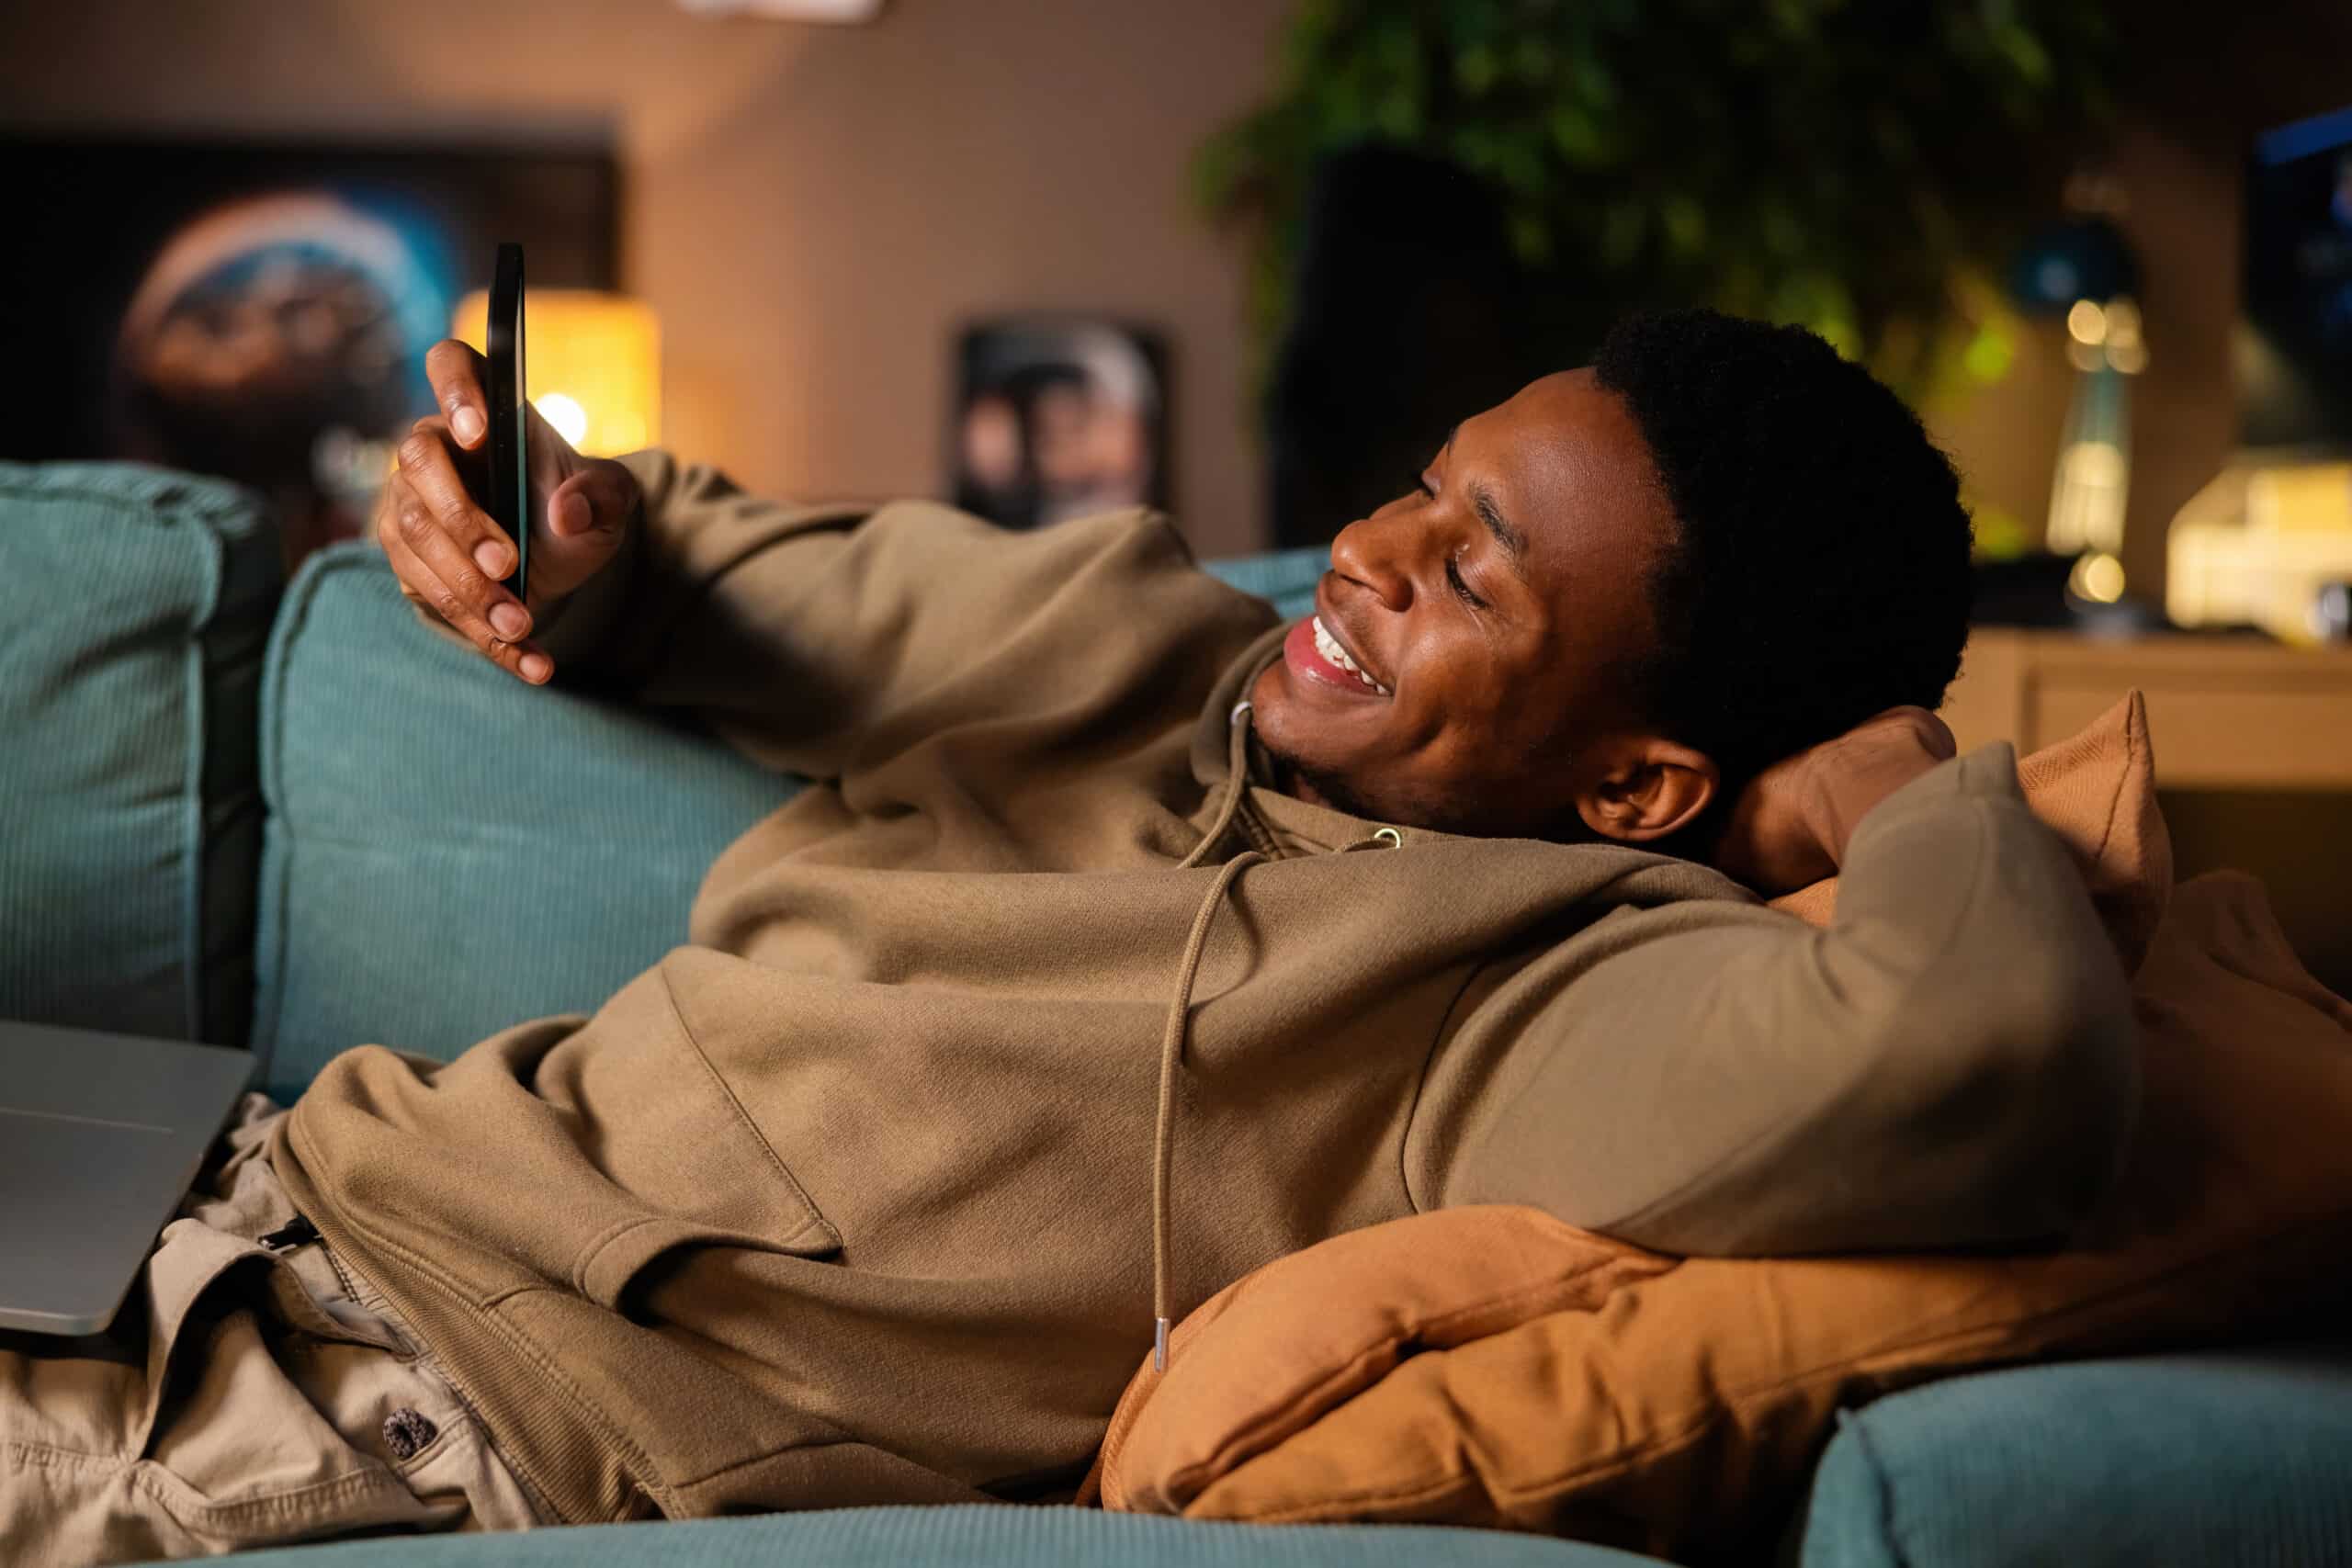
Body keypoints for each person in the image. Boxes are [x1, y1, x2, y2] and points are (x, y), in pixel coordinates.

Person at [1, 310, 2138, 1564]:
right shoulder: (1141, 644)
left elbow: (1979, 1061)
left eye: (1470, 575)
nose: (1368, 550)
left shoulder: (1534, 998)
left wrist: (1899, 779)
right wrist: (535, 527)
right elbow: (691, 570)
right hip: (250, 1178)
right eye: (1421, 485)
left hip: (397, 1395)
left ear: (1637, 786)